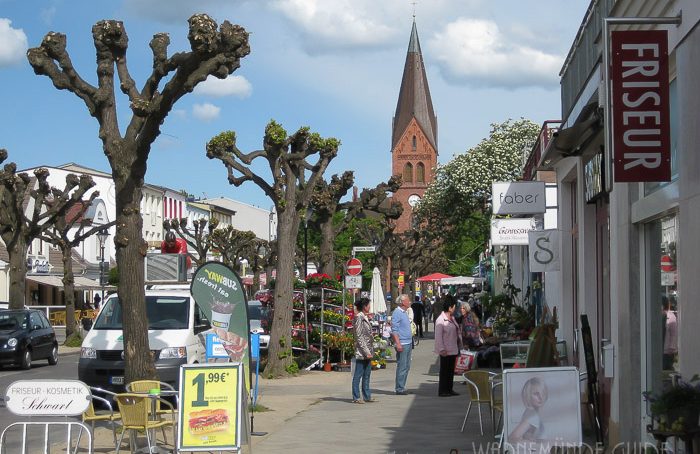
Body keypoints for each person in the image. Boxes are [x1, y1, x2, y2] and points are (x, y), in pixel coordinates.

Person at [434, 295, 461, 397]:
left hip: (453, 348)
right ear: (450, 307)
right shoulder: (440, 320)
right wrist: (441, 349)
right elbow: (438, 337)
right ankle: (443, 390)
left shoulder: (452, 318)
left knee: (450, 371)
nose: (455, 309)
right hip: (445, 350)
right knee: (444, 371)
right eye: (454, 307)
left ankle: (449, 389)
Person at [508, 376, 549, 443]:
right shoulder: (533, 415)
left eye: (543, 393)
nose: (541, 397)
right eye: (536, 394)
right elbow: (512, 438)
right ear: (528, 395)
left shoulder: (531, 412)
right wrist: (533, 445)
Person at [351, 298, 376, 403]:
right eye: (368, 305)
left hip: (368, 350)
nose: (369, 307)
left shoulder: (364, 317)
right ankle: (356, 397)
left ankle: (367, 396)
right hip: (362, 351)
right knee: (358, 374)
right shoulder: (359, 318)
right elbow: (359, 337)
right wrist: (366, 352)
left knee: (367, 374)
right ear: (364, 307)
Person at [391, 294, 414, 395]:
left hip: (408, 342)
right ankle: (399, 388)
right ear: (402, 302)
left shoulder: (404, 312)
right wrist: (398, 343)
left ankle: (402, 386)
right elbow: (394, 330)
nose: (409, 302)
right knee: (402, 366)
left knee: (407, 366)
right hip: (403, 343)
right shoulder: (397, 312)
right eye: (408, 300)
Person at [662, 296, 677, 370]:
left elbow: (673, 334)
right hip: (662, 350)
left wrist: (671, 349)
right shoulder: (657, 316)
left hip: (667, 352)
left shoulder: (670, 316)